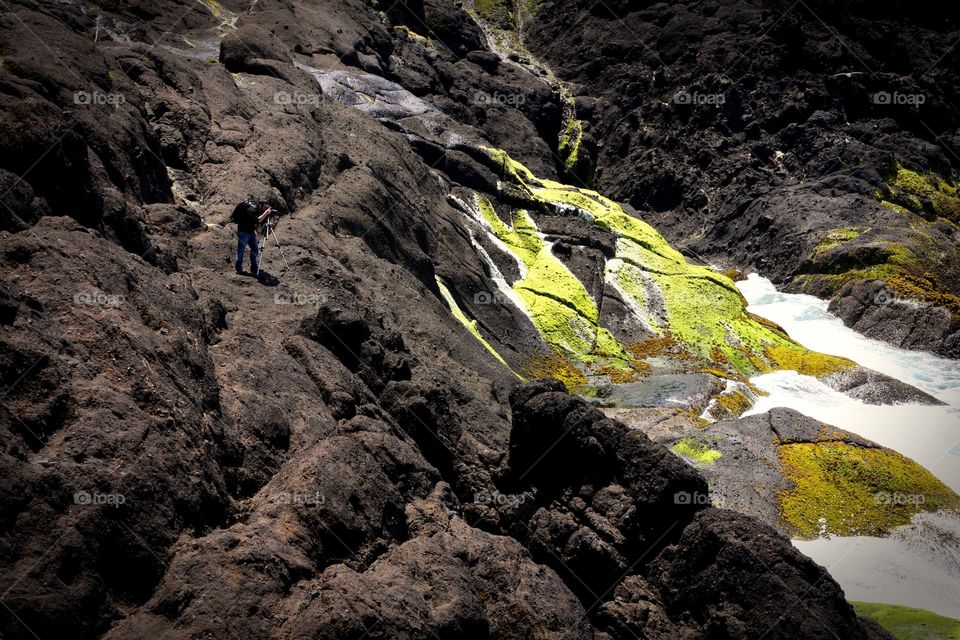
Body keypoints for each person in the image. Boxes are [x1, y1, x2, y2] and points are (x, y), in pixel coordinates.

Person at [233, 200, 272, 275]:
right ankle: (239, 269)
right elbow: (257, 220)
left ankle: (254, 267)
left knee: (255, 249)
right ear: (260, 205)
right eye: (264, 207)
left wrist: (254, 230)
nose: (265, 209)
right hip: (243, 232)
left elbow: (252, 221)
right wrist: (266, 213)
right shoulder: (251, 210)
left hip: (251, 232)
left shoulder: (256, 210)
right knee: (241, 250)